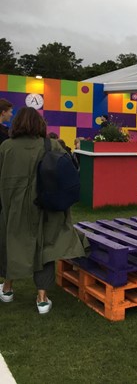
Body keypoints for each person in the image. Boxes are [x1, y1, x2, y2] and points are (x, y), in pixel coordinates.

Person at [0, 107, 87, 314]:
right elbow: (69, 173)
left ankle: (7, 288)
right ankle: (41, 299)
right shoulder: (53, 145)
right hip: (47, 207)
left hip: (14, 208)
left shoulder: (6, 147)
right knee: (45, 250)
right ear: (40, 124)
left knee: (11, 244)